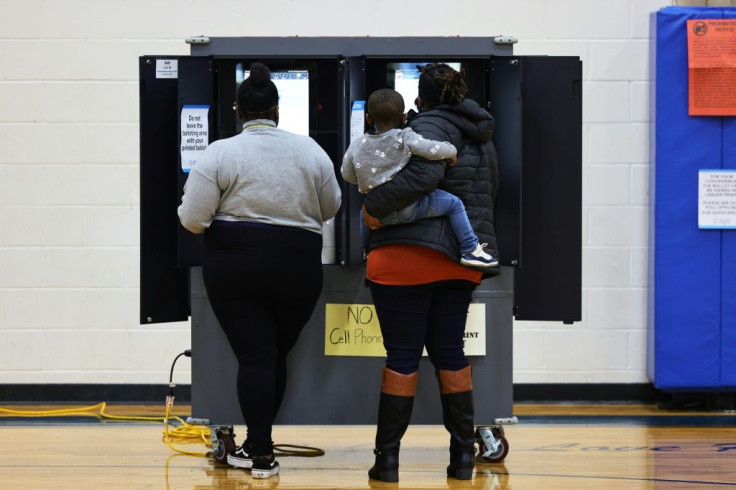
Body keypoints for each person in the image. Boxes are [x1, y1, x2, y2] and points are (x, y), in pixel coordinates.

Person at [177, 63, 341, 479]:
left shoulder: (219, 152)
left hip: (235, 266)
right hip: (298, 266)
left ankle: (262, 454)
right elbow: (331, 208)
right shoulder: (310, 151)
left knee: (255, 356)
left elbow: (194, 220)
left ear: (238, 111)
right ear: (278, 110)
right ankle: (258, 446)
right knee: (274, 356)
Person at [361, 63, 499, 482]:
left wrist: (373, 208)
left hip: (407, 258)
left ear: (418, 98)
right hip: (460, 262)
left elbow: (425, 174)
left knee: (403, 357)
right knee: (450, 354)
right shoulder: (483, 136)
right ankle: (462, 459)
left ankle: (387, 462)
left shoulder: (428, 127)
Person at [341, 88, 497, 268]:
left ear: (368, 118)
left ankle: (366, 251)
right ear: (404, 118)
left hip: (381, 215)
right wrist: (451, 151)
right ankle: (471, 250)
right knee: (454, 204)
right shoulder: (405, 136)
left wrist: (368, 180)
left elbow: (347, 173)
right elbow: (430, 149)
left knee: (363, 213)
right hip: (410, 208)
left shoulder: (357, 144)